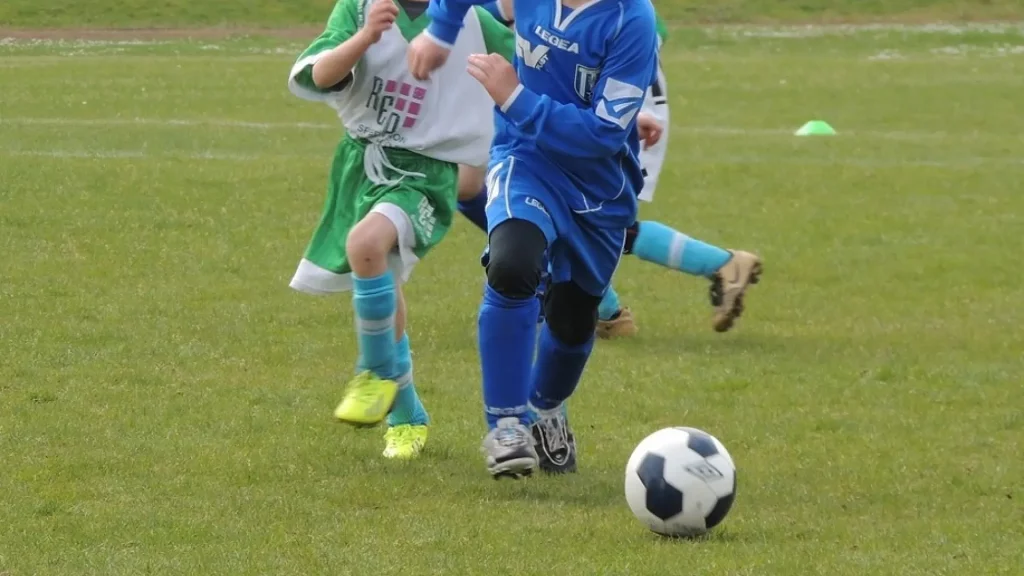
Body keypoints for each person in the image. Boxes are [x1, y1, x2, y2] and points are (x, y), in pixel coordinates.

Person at [408, 0, 660, 477]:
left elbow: (605, 134)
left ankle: (546, 409)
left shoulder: (633, 19)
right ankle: (506, 426)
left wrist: (515, 97)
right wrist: (440, 32)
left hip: (599, 190)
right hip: (525, 159)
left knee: (573, 320)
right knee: (512, 264)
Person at [286, 0, 513, 460]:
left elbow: (538, 69)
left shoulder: (472, 19)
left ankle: (374, 374)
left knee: (364, 243)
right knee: (383, 279)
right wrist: (365, 37)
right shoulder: (359, 9)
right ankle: (407, 415)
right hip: (361, 167)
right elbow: (321, 74)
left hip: (426, 173)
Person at [460, 1, 764, 339]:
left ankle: (712, 267)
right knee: (552, 216)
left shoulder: (626, 17)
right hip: (600, 112)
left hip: (608, 118)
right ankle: (604, 308)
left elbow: (600, 67)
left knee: (589, 221)